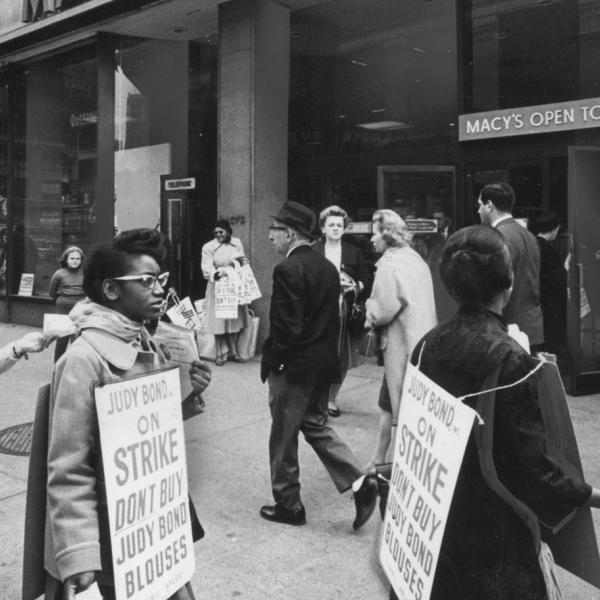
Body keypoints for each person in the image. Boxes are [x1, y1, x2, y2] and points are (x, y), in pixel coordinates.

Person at [402, 225, 600, 600]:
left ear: (450, 284)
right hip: (491, 542)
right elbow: (531, 471)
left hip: (436, 530)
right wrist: (588, 494)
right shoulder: (510, 359)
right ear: (508, 284)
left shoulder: (427, 344)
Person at [41, 229, 212, 599]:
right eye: (147, 280)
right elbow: (69, 466)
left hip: (154, 530)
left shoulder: (142, 338)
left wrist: (187, 394)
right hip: (111, 537)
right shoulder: (82, 359)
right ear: (111, 290)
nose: (159, 290)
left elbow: (139, 427)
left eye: (161, 280)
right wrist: (79, 553)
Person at [260, 200, 378, 529]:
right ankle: (360, 482)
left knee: (283, 436)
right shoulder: (327, 267)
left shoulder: (286, 269)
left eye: (274, 231)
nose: (270, 237)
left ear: (289, 234)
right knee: (314, 425)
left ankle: (289, 505)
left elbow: (286, 329)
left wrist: (278, 366)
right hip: (322, 366)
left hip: (294, 370)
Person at [363, 209, 437, 472]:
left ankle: (393, 463)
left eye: (375, 233)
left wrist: (368, 310)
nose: (371, 239)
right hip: (420, 341)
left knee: (397, 404)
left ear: (387, 234)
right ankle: (378, 457)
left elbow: (382, 309)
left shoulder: (390, 263)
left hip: (400, 344)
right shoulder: (415, 259)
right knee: (389, 403)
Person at [312, 205, 372, 417]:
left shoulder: (353, 252)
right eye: (331, 225)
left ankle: (330, 399)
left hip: (344, 312)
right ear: (323, 228)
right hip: (318, 311)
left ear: (345, 229)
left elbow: (366, 279)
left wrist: (355, 286)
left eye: (339, 225)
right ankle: (316, 396)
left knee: (341, 356)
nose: (336, 228)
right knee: (319, 354)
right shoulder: (313, 251)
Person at [477, 182, 544, 348]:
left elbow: (497, 286)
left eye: (480, 205)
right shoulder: (529, 236)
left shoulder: (496, 237)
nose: (478, 210)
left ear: (489, 206)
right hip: (531, 328)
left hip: (507, 330)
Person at [201, 219, 249, 365]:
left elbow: (243, 260)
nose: (218, 235)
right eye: (215, 233)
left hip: (232, 284)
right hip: (217, 286)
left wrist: (239, 265)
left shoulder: (237, 243)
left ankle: (233, 351)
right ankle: (219, 353)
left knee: (232, 320)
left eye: (221, 232)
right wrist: (218, 273)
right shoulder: (208, 247)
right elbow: (206, 269)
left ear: (228, 231)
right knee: (218, 322)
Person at [534, 211, 567, 358]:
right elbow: (553, 278)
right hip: (550, 304)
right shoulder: (547, 250)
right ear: (554, 230)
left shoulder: (535, 245)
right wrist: (565, 268)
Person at [48, 246, 85, 361]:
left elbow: (90, 289)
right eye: (72, 258)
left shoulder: (85, 273)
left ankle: (74, 366)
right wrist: (63, 300)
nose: (75, 261)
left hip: (80, 307)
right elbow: (52, 292)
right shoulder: (59, 274)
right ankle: (58, 365)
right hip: (63, 307)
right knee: (62, 338)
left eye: (78, 259)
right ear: (66, 260)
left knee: (79, 339)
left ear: (81, 260)